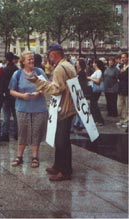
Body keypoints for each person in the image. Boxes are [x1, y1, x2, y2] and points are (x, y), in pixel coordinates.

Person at [27, 43, 76, 181]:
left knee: (62, 141)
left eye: (48, 55)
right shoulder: (68, 65)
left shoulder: (60, 68)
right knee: (61, 140)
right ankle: (58, 166)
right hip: (68, 107)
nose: (48, 58)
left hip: (64, 109)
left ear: (53, 54)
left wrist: (38, 82)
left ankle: (65, 171)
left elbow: (57, 89)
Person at [9, 51, 48, 168]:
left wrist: (40, 92)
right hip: (22, 108)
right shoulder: (17, 74)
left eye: (32, 59)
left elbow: (47, 86)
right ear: (23, 62)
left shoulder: (39, 72)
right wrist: (22, 96)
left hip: (39, 107)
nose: (31, 61)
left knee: (36, 132)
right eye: (29, 59)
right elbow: (11, 90)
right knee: (22, 131)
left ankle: (35, 157)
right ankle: (19, 156)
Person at [0, 52, 18, 141]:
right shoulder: (17, 69)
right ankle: (17, 133)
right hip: (15, 94)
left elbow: (2, 83)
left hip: (7, 95)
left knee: (6, 115)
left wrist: (3, 92)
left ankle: (5, 134)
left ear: (6, 59)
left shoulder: (4, 70)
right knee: (15, 115)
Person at [87, 59, 105, 126]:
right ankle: (96, 119)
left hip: (96, 90)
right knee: (93, 105)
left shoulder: (99, 71)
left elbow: (98, 81)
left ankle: (99, 120)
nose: (93, 64)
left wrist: (90, 78)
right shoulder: (96, 71)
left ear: (96, 64)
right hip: (93, 89)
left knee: (94, 105)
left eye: (94, 63)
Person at [116, 52, 128, 129]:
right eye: (122, 57)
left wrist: (122, 73)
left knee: (127, 107)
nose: (122, 59)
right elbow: (119, 77)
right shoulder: (121, 66)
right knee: (120, 106)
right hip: (121, 89)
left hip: (127, 89)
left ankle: (126, 121)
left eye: (124, 57)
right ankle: (122, 119)